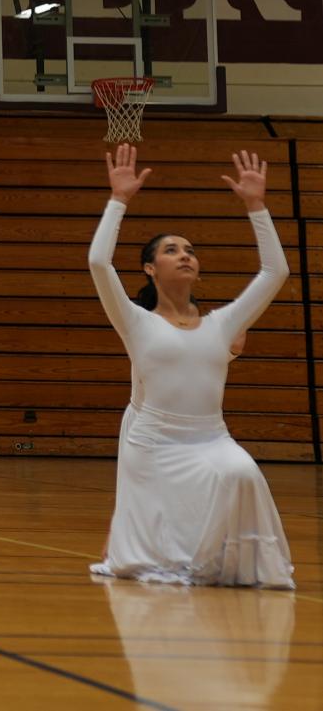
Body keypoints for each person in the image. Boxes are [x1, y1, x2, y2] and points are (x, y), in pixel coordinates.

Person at [87, 144, 294, 588]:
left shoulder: (222, 324)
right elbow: (98, 263)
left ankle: (219, 560)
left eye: (190, 251)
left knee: (240, 471)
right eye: (171, 250)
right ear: (149, 268)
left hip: (210, 438)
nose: (185, 255)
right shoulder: (135, 321)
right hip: (153, 442)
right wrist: (118, 200)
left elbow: (275, 272)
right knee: (154, 549)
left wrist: (256, 206)